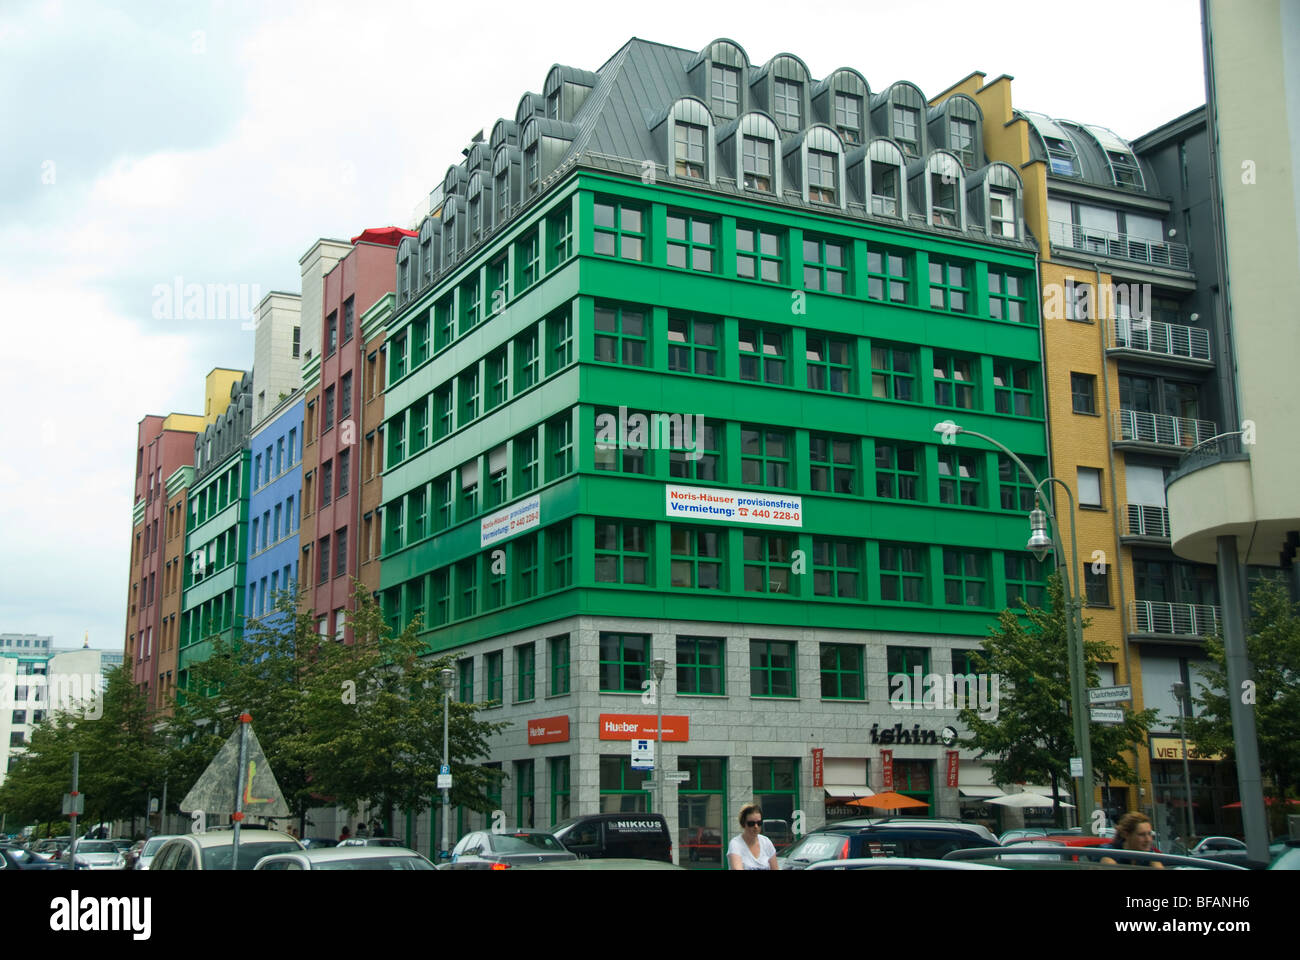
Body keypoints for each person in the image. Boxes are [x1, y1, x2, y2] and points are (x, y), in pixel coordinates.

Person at [1100, 812, 1164, 868]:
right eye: (1141, 834)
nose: (1148, 839)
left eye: (1149, 834)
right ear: (1126, 835)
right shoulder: (1108, 853)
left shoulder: (1149, 854)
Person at [727, 804, 778, 870]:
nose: (756, 826)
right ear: (743, 824)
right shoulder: (735, 844)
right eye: (751, 823)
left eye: (759, 823)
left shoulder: (766, 842)